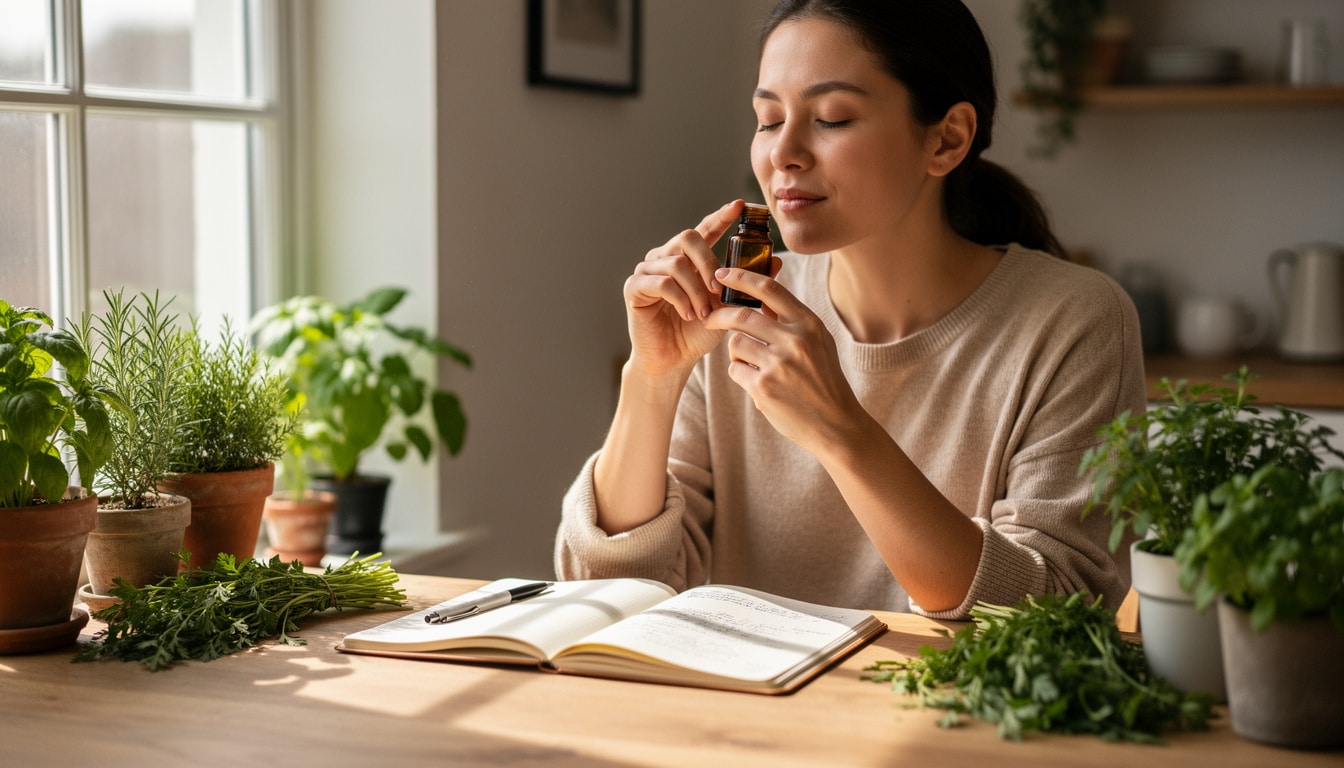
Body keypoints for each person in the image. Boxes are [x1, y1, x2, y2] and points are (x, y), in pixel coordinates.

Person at [553, 0, 1145, 618]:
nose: (783, 153)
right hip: (747, 709)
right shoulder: (734, 308)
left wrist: (842, 433)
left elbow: (1053, 610)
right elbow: (606, 590)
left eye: (832, 118)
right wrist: (652, 380)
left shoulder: (1076, 321)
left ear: (947, 140)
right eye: (767, 119)